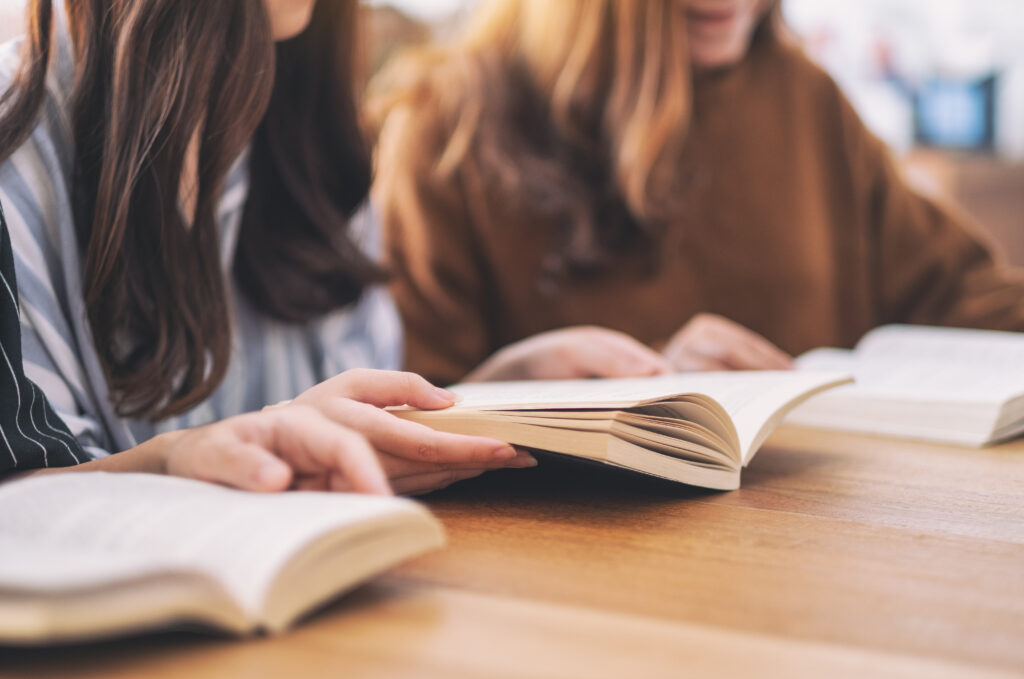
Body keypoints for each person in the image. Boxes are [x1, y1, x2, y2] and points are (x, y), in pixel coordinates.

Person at [0, 0, 538, 493]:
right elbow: (25, 515)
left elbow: (347, 414)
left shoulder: (311, 134)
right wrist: (189, 462)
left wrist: (481, 402)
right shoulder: (17, 147)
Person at [372, 0, 1024, 387]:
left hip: (815, 550)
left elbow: (956, 290)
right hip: (567, 575)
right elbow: (415, 411)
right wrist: (639, 393)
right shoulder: (446, 127)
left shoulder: (804, 94)